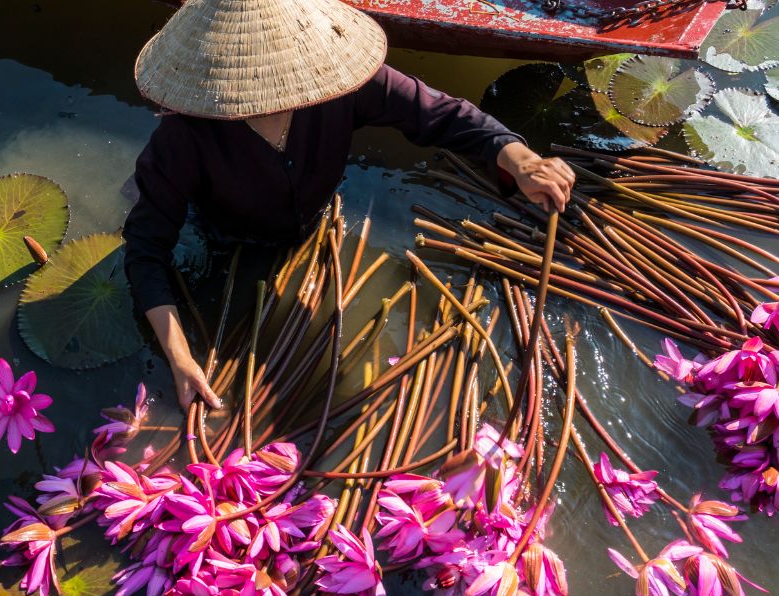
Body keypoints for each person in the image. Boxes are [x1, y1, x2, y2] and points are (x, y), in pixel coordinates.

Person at [123, 0, 576, 411]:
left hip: (313, 218)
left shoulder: (338, 84)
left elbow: (440, 114)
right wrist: (181, 359)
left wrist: (522, 161)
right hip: (228, 237)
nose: (273, 93)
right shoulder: (183, 137)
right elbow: (145, 251)